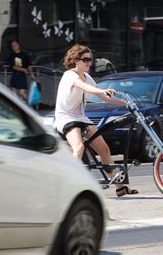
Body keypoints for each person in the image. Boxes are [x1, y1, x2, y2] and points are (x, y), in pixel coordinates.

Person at [54, 44, 138, 197]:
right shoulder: (70, 75)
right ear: (75, 60)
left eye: (90, 60)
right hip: (66, 118)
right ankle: (68, 184)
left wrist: (125, 103)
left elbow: (104, 97)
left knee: (104, 149)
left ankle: (120, 187)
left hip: (81, 118)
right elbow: (85, 87)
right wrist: (101, 90)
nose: (88, 63)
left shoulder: (88, 78)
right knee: (78, 148)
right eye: (85, 59)